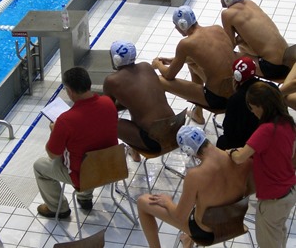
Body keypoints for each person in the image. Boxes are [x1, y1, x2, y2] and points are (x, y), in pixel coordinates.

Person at [137, 125, 252, 248]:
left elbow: (179, 216)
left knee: (142, 202)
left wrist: (167, 202)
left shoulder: (195, 175)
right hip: (236, 223)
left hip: (207, 233)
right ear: (204, 137)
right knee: (202, 202)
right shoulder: (241, 159)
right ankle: (187, 239)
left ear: (189, 152)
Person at [33, 66, 118, 218]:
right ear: (89, 84)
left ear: (70, 91)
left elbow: (53, 154)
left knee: (40, 166)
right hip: (112, 167)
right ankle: (85, 198)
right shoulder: (108, 103)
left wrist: (55, 130)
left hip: (84, 176)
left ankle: (57, 208)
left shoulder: (65, 120)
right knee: (90, 149)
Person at [227, 82, 296, 248]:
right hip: (289, 191)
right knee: (278, 233)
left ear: (262, 107)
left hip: (272, 199)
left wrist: (231, 151)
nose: (252, 112)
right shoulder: (288, 122)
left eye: (252, 107)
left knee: (268, 243)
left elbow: (239, 157)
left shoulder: (266, 130)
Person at [152, 5, 235, 124]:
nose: (175, 28)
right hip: (237, 91)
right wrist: (173, 60)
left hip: (218, 99)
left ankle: (167, 125)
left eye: (176, 25)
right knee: (192, 63)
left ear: (182, 25)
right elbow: (207, 56)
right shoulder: (217, 29)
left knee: (159, 81)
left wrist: (158, 65)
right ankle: (198, 114)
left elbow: (169, 75)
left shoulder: (186, 44)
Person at [103, 41, 175, 162]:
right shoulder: (146, 66)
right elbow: (139, 100)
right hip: (175, 129)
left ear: (116, 59)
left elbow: (106, 110)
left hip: (154, 141)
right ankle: (134, 152)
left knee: (105, 122)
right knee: (139, 111)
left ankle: (111, 158)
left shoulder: (112, 80)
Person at [219, 0, 290, 79]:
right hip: (288, 61)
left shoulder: (227, 14)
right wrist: (240, 39)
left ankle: (239, 89)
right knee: (243, 46)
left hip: (273, 67)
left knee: (226, 57)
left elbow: (229, 46)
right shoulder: (250, 3)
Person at [216, 56, 277, 150]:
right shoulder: (272, 87)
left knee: (222, 141)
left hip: (248, 144)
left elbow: (228, 131)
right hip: (273, 137)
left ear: (236, 76)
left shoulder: (236, 99)